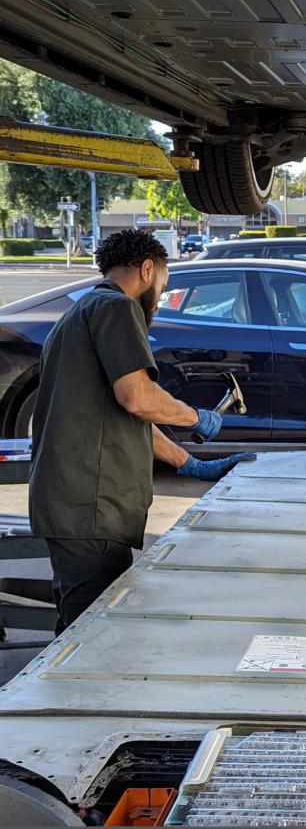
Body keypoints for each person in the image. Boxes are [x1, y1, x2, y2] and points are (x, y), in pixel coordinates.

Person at [29, 229, 254, 634]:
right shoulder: (118, 307)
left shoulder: (77, 315)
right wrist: (195, 417)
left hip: (74, 504)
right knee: (91, 635)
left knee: (79, 624)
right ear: (147, 270)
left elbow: (121, 418)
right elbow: (137, 397)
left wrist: (190, 464)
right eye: (163, 288)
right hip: (92, 506)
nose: (160, 299)